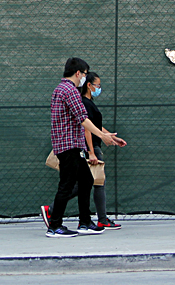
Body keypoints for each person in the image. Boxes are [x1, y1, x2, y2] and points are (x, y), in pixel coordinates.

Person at [43, 57, 123, 238]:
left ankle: (85, 222)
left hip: (69, 144)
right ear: (78, 73)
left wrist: (104, 134)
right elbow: (83, 119)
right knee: (66, 185)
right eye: (85, 74)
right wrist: (102, 136)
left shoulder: (61, 89)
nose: (85, 79)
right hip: (69, 144)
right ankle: (55, 225)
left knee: (86, 180)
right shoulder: (70, 90)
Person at [80, 71, 126, 229]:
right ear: (88, 85)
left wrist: (112, 137)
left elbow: (96, 127)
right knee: (86, 183)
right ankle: (52, 209)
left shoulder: (89, 102)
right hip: (91, 148)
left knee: (97, 182)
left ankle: (102, 218)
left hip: (95, 146)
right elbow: (86, 128)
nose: (99, 88)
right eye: (97, 85)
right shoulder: (84, 103)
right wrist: (91, 151)